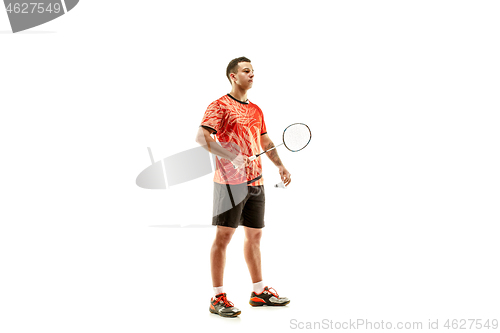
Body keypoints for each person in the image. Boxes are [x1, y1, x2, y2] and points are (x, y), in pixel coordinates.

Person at [195, 57, 291, 317]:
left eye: (253, 72)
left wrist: (280, 165)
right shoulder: (220, 106)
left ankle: (259, 292)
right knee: (224, 237)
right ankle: (217, 297)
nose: (251, 75)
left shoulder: (257, 110)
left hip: (256, 182)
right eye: (246, 71)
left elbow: (265, 140)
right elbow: (201, 137)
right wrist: (229, 156)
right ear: (232, 76)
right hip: (229, 182)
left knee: (255, 236)